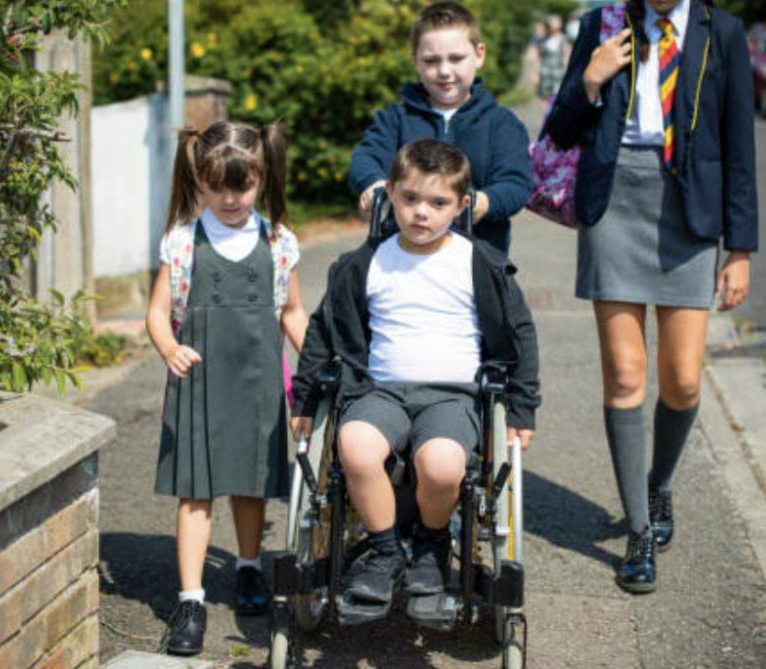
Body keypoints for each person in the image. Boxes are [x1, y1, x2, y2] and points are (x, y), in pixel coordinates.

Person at [543, 0, 756, 594]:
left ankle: (659, 485)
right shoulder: (602, 24)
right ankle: (638, 531)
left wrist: (739, 248)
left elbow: (740, 143)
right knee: (626, 374)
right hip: (614, 204)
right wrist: (590, 79)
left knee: (683, 379)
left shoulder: (725, 33)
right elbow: (560, 130)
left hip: (688, 213)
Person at [291, 139, 541, 612]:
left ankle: (429, 547)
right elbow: (322, 331)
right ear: (390, 194)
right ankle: (385, 553)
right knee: (356, 448)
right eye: (410, 199)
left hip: (452, 396)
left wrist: (522, 408)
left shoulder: (478, 263)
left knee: (443, 465)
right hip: (379, 391)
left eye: (438, 202)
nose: (421, 212)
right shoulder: (365, 263)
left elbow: (520, 334)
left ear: (462, 206)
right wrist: (305, 401)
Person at [146, 121, 308, 654]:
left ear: (261, 177)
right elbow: (156, 313)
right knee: (195, 490)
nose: (231, 198)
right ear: (200, 178)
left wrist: (317, 364)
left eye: (242, 186)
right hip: (199, 380)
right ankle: (190, 600)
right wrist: (169, 348)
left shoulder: (279, 241)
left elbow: (292, 312)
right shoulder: (182, 241)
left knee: (251, 482)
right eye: (218, 186)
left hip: (259, 380)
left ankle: (246, 568)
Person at [349, 1, 532, 255]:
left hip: (476, 259)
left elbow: (516, 183)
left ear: (479, 55)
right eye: (431, 61)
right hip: (401, 256)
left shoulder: (502, 124)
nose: (445, 71)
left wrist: (484, 202)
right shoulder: (395, 118)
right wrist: (373, 184)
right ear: (415, 61)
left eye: (456, 58)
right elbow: (366, 157)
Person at [534, 15, 569, 101]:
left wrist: (567, 73)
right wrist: (535, 73)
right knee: (545, 97)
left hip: (559, 73)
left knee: (558, 97)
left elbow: (566, 57)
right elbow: (538, 57)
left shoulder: (563, 39)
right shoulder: (543, 40)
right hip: (545, 73)